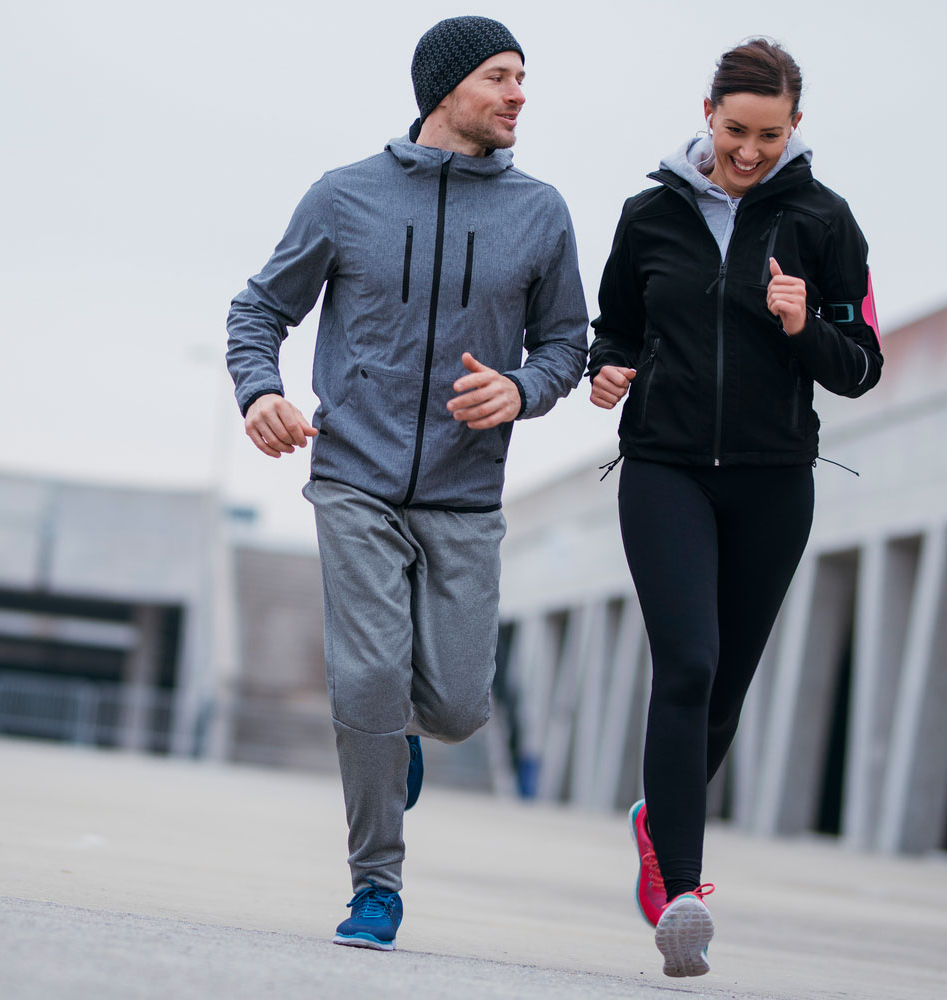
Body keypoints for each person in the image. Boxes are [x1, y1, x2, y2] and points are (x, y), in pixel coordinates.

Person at [225, 15, 589, 953]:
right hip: (353, 475)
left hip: (466, 494)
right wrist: (261, 391)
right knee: (370, 674)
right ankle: (375, 885)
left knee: (462, 707)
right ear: (446, 89)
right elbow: (261, 308)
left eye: (522, 78)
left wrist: (520, 389)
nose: (518, 95)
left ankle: (397, 744)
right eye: (501, 77)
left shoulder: (540, 212)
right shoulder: (345, 196)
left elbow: (564, 345)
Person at [585, 38, 882, 978]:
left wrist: (803, 327)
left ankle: (654, 820)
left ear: (796, 127)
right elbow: (616, 328)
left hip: (771, 480)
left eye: (768, 134)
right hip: (665, 467)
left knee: (723, 690)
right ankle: (681, 890)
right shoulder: (648, 216)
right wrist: (607, 370)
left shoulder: (828, 223)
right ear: (706, 112)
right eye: (733, 130)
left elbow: (863, 363)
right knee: (688, 663)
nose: (748, 151)